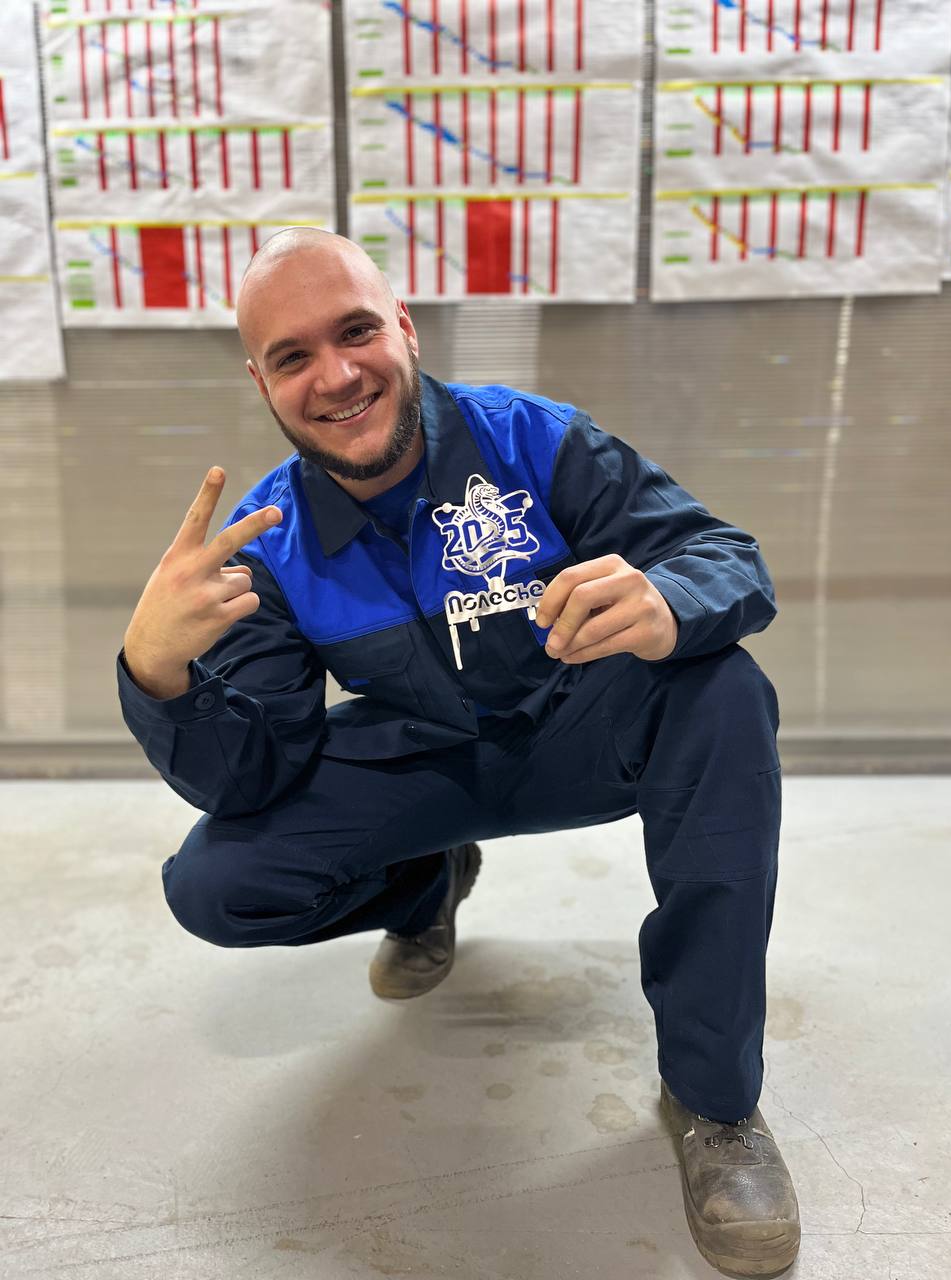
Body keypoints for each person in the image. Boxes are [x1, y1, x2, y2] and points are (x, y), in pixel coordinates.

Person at [118, 228, 800, 1278]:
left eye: (355, 332)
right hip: (426, 761)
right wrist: (158, 671)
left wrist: (670, 597)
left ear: (404, 327)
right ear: (261, 381)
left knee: (724, 691)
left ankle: (717, 1104)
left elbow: (725, 556)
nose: (336, 375)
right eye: (294, 356)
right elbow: (252, 776)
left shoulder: (534, 440)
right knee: (216, 882)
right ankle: (423, 886)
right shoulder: (267, 543)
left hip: (579, 733)